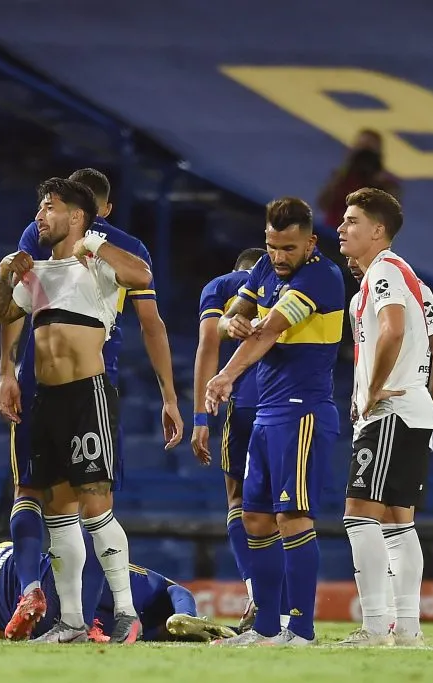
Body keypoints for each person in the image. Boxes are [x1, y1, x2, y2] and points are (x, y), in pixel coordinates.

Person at [0, 168, 182, 641]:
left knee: (96, 508)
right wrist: (2, 275)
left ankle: (125, 611)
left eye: (49, 207)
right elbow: (3, 312)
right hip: (45, 400)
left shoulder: (99, 265)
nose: (40, 215)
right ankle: (72, 622)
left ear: (77, 216)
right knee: (59, 514)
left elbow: (142, 275)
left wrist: (95, 245)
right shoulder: (35, 272)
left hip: (87, 395)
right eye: (40, 206)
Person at [206, 197, 344, 646]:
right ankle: (266, 629)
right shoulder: (265, 269)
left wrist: (226, 375)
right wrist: (233, 323)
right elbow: (236, 318)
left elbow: (270, 330)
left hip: (302, 411)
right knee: (256, 520)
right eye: (272, 246)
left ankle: (299, 629)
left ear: (310, 242)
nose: (279, 257)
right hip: (267, 411)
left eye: (289, 248)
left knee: (293, 518)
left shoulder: (321, 277)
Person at [336, 188, 433, 647]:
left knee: (358, 514)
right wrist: (422, 405)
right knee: (397, 522)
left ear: (377, 230)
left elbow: (392, 329)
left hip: (389, 412)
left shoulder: (384, 272)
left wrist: (374, 391)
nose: (342, 228)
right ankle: (406, 629)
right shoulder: (413, 280)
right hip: (411, 413)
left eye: (351, 221)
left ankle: (374, 626)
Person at [0, 539, 237, 643]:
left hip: (37, 609)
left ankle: (99, 627)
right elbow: (176, 589)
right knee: (105, 556)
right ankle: (179, 622)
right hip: (49, 592)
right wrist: (186, 613)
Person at [191, 247, 265, 630]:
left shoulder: (220, 286)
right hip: (289, 405)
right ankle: (288, 606)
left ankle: (256, 593)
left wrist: (200, 418)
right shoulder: (288, 283)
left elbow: (208, 346)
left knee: (237, 500)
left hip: (245, 405)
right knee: (286, 508)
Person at [318, 129, 401, 229]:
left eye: (368, 151)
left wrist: (381, 187)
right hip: (332, 232)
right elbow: (323, 204)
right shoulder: (342, 176)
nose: (364, 157)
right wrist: (341, 175)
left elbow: (390, 219)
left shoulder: (387, 183)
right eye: (361, 149)